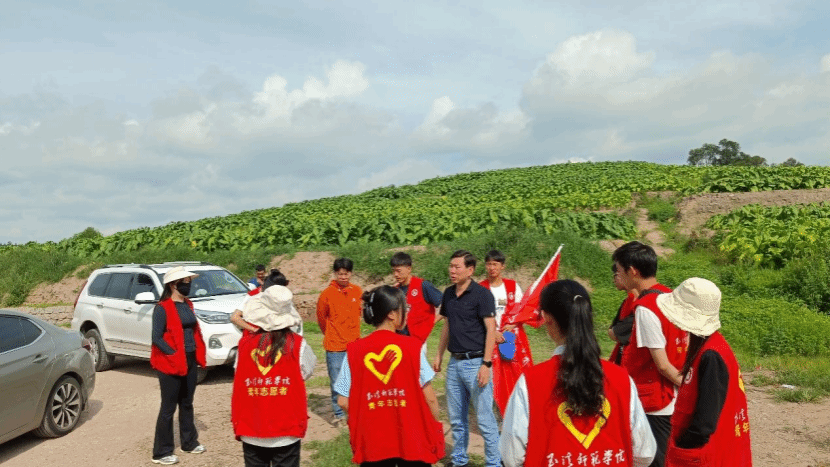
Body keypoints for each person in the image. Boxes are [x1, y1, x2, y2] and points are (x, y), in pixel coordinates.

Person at [499, 279, 656, 467]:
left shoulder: (530, 382)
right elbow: (645, 453)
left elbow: (512, 456)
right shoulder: (621, 379)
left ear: (546, 318)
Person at [334, 285, 445, 467]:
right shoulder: (413, 347)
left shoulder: (354, 350)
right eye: (405, 308)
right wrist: (435, 423)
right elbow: (430, 398)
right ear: (392, 314)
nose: (407, 313)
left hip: (373, 441)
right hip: (412, 438)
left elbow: (342, 401)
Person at [658, 278, 753, 466]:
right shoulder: (709, 346)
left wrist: (683, 446)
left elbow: (704, 424)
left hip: (705, 456)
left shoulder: (711, 355)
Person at [613, 241, 687, 467]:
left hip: (656, 399)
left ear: (632, 271)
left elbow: (662, 364)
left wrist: (688, 386)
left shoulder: (646, 308)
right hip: (672, 394)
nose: (617, 275)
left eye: (619, 270)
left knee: (655, 460)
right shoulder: (671, 296)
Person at [231, 285, 316, 467]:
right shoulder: (298, 344)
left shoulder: (244, 345)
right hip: (286, 430)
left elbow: (239, 374)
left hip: (252, 428)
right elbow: (307, 371)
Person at [433, 250, 500, 467]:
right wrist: (439, 354)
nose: (452, 271)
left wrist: (486, 364)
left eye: (457, 267)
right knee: (456, 419)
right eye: (450, 266)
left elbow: (491, 330)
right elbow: (447, 325)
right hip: (455, 363)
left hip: (476, 362)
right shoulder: (448, 294)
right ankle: (459, 460)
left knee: (485, 418)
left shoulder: (482, 295)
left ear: (470, 270)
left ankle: (494, 463)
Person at [150, 266, 207, 465]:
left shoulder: (188, 304)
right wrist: (172, 353)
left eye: (189, 282)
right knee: (168, 408)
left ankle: (189, 442)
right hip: (170, 363)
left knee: (187, 403)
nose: (188, 285)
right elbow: (156, 337)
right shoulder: (162, 308)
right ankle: (161, 452)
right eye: (185, 282)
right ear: (174, 285)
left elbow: (193, 330)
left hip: (189, 360)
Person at [478, 249, 532, 416]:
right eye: (489, 264)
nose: (492, 268)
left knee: (517, 372)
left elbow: (523, 309)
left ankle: (521, 406)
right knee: (494, 375)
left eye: (495, 264)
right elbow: (476, 315)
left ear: (502, 266)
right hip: (490, 337)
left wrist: (513, 323)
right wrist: (492, 332)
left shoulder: (512, 286)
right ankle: (497, 409)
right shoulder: (480, 288)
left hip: (511, 337)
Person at [316, 257, 363, 427]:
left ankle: (354, 411)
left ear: (351, 273)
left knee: (355, 380)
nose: (343, 277)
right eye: (340, 274)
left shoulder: (357, 291)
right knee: (337, 381)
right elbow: (321, 318)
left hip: (354, 345)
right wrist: (330, 333)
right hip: (334, 346)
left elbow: (360, 313)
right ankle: (339, 414)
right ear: (335, 274)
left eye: (346, 273)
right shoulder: (326, 294)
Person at [389, 252, 443, 346]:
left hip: (418, 341)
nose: (395, 274)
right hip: (399, 340)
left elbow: (446, 303)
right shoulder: (395, 289)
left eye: (398, 271)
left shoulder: (422, 285)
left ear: (409, 269)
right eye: (393, 271)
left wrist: (431, 323)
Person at [232, 269, 292, 333]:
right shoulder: (253, 295)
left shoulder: (283, 295)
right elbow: (235, 317)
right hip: (259, 335)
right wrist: (254, 329)